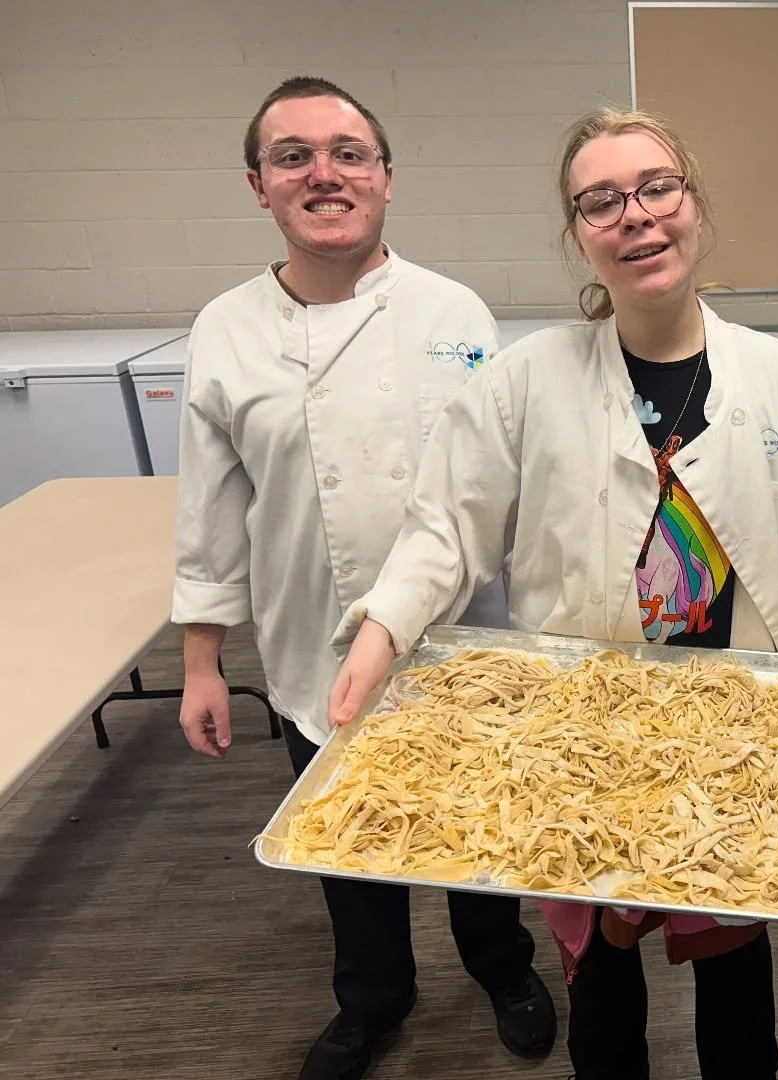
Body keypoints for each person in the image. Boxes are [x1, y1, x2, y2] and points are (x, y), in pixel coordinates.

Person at [326, 106, 778, 1080]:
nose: (636, 216)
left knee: (739, 1002)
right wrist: (385, 627)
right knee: (603, 995)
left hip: (735, 731)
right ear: (577, 233)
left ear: (692, 203)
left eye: (658, 187)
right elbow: (448, 526)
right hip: (586, 733)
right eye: (601, 201)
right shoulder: (525, 381)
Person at [171, 75, 556, 1080]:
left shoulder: (454, 311)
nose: (323, 173)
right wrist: (203, 661)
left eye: (347, 152)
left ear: (384, 176)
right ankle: (373, 999)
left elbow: (499, 491)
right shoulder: (225, 328)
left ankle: (505, 967)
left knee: (478, 828)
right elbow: (209, 510)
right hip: (310, 638)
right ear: (259, 184)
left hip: (464, 635)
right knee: (349, 845)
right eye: (292, 155)